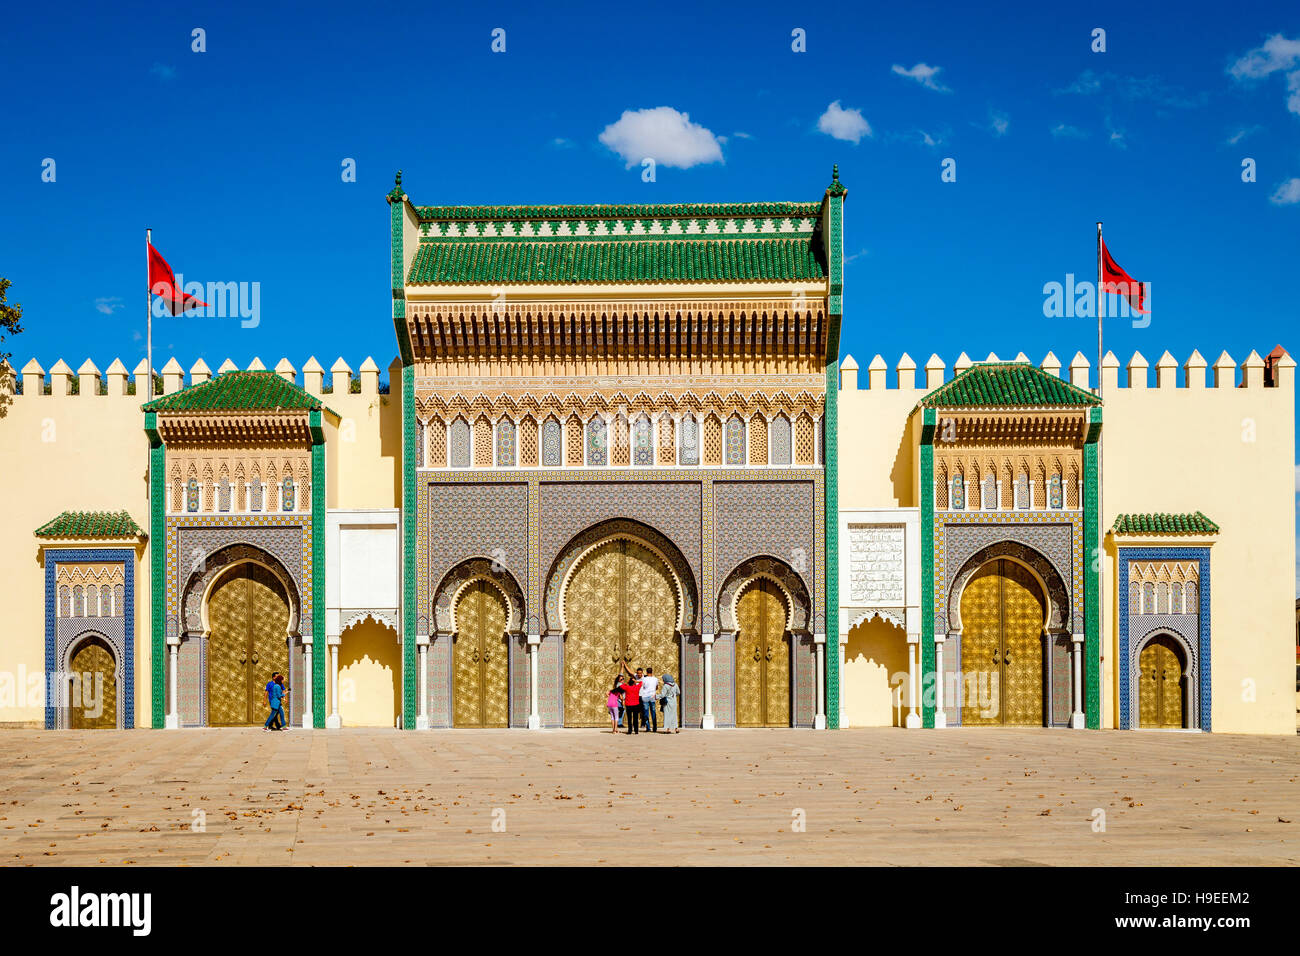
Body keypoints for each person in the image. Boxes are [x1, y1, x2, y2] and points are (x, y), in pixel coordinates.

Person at [639, 666, 659, 733]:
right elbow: (656, 687)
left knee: (646, 713)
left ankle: (648, 727)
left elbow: (643, 686)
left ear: (647, 672)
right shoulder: (655, 679)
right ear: (652, 672)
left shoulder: (644, 679)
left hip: (645, 697)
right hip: (652, 696)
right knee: (653, 712)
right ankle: (655, 727)